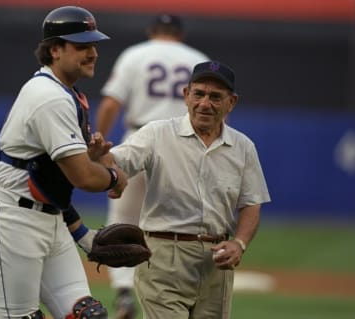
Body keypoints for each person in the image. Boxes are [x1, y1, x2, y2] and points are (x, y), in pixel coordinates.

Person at [0, 6, 128, 319]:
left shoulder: (66, 93)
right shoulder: (51, 97)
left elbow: (51, 181)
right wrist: (113, 178)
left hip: (50, 219)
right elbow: (83, 177)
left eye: (94, 46)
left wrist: (81, 232)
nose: (93, 53)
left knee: (88, 315)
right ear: (55, 50)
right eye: (82, 46)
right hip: (14, 223)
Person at [102, 60, 271, 319]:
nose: (205, 103)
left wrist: (239, 243)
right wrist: (100, 163)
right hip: (164, 256)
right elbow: (115, 161)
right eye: (199, 94)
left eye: (215, 97)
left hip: (217, 263)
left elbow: (251, 202)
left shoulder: (243, 147)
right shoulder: (157, 133)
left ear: (231, 102)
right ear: (185, 95)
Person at [95, 13, 210, 318]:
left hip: (141, 137)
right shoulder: (198, 60)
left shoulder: (135, 55)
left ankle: (123, 294)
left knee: (123, 219)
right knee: (177, 226)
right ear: (180, 34)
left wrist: (98, 144)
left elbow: (110, 104)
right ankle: (178, 295)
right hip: (186, 145)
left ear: (152, 31)